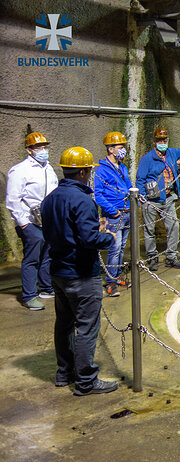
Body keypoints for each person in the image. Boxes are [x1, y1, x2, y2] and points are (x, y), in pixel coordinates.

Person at [40, 147, 117, 395]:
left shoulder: (50, 198)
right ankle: (86, 382)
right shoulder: (83, 200)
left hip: (58, 272)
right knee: (86, 328)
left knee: (63, 324)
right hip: (82, 274)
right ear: (84, 172)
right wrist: (108, 237)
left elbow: (56, 233)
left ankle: (64, 373)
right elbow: (88, 239)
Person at [5, 132, 59, 310]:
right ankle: (29, 296)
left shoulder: (48, 168)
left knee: (47, 256)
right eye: (38, 147)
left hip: (47, 220)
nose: (43, 150)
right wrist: (24, 223)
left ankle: (46, 288)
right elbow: (12, 200)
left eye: (45, 146)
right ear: (29, 150)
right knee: (32, 259)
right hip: (30, 221)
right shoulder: (19, 170)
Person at [136, 128, 180, 271]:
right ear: (154, 142)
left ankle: (171, 257)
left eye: (164, 140)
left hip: (168, 198)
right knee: (149, 230)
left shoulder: (172, 153)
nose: (162, 143)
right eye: (160, 141)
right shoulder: (147, 159)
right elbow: (140, 180)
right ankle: (152, 257)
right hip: (151, 200)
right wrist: (143, 200)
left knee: (173, 227)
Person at [94, 131, 133, 297]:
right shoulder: (101, 170)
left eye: (123, 146)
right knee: (114, 248)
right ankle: (110, 283)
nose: (123, 149)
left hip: (127, 212)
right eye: (120, 147)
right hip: (114, 215)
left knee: (122, 247)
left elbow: (130, 188)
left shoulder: (122, 167)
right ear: (110, 149)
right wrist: (112, 211)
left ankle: (116, 277)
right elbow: (98, 195)